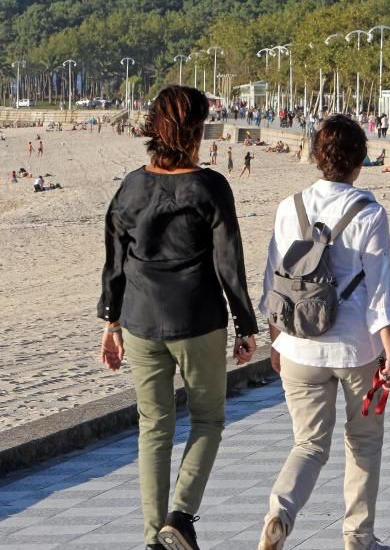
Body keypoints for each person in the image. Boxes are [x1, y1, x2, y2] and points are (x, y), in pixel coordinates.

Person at [97, 85, 258, 550]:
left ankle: (154, 539)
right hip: (198, 318)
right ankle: (180, 518)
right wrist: (246, 326)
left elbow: (113, 261)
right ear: (195, 129)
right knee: (208, 419)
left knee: (154, 425)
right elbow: (229, 263)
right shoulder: (209, 186)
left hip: (140, 319)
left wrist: (111, 323)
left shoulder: (131, 185)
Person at [257, 114, 390, 550]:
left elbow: (273, 281)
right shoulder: (370, 212)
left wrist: (275, 338)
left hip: (298, 342)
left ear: (318, 156)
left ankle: (280, 511)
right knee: (364, 443)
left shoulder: (290, 207)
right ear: (360, 160)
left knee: (309, 444)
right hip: (356, 346)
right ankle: (358, 538)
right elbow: (380, 293)